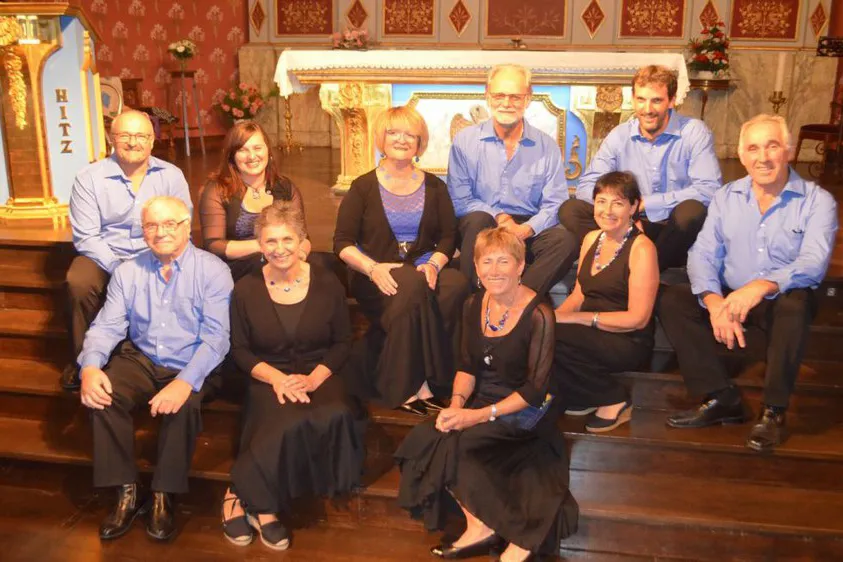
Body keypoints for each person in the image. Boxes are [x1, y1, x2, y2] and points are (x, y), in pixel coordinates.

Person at [395, 227, 579, 562]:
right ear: (477, 267)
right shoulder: (473, 304)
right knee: (426, 437)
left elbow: (534, 390)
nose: (494, 270)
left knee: (461, 445)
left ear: (520, 266)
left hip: (524, 408)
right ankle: (478, 525)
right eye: (486, 261)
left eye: (503, 261)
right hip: (481, 399)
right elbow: (467, 366)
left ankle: (510, 531)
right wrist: (456, 406)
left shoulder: (539, 314)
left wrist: (477, 416)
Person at [658, 114, 838, 452]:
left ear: (788, 151)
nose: (763, 157)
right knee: (672, 299)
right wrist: (714, 302)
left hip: (780, 297)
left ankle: (773, 411)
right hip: (731, 295)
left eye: (772, 146)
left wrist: (760, 286)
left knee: (795, 304)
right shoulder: (727, 197)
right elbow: (702, 253)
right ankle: (721, 397)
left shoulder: (817, 201)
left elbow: (812, 264)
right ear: (741, 155)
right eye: (753, 148)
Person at [77, 196, 233, 541]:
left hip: (194, 360)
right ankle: (127, 491)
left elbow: (217, 338)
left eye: (169, 224)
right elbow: (107, 327)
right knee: (104, 394)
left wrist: (185, 382)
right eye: (151, 225)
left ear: (186, 226)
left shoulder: (213, 271)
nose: (160, 232)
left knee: (184, 404)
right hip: (143, 357)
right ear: (143, 231)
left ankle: (164, 494)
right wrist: (89, 367)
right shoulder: (128, 272)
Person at [221, 202, 364, 550]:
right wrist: (277, 380)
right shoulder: (245, 289)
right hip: (267, 375)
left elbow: (342, 342)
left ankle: (241, 491)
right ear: (260, 244)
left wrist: (314, 379)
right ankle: (261, 507)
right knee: (286, 420)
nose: (279, 248)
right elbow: (240, 350)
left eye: (288, 239)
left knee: (333, 413)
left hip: (319, 372)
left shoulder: (328, 283)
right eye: (270, 241)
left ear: (302, 242)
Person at [334, 105, 470, 416]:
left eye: (410, 134)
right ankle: (412, 386)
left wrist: (434, 264)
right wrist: (372, 268)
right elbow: (341, 242)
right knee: (410, 284)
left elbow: (449, 236)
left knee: (456, 286)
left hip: (424, 267)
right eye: (394, 132)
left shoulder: (435, 186)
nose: (402, 139)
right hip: (375, 273)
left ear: (420, 142)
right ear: (381, 139)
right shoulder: (363, 186)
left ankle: (434, 379)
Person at [64, 110, 193, 390]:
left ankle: (169, 360)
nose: (133, 142)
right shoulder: (89, 178)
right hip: (105, 255)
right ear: (111, 138)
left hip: (157, 253)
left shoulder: (171, 176)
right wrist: (121, 268)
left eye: (141, 136)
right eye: (125, 135)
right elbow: (87, 236)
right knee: (79, 281)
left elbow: (183, 224)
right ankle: (85, 364)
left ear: (152, 141)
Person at [559, 65, 721, 271]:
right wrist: (625, 210)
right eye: (641, 99)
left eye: (657, 100)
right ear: (633, 99)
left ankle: (637, 271)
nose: (647, 109)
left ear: (672, 100)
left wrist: (647, 204)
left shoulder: (694, 132)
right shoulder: (620, 135)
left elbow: (709, 189)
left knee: (691, 212)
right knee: (570, 210)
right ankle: (632, 264)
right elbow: (588, 184)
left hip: (671, 228)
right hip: (627, 224)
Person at [448, 64, 577, 296]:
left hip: (527, 226)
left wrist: (526, 229)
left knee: (565, 241)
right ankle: (473, 300)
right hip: (483, 223)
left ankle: (520, 299)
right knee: (478, 220)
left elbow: (555, 203)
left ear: (528, 98)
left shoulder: (546, 146)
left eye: (515, 97)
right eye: (499, 95)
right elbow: (460, 199)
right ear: (487, 95)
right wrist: (500, 217)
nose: (506, 103)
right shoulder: (464, 141)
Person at [554, 172, 659, 432]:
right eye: (601, 201)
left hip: (627, 339)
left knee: (554, 338)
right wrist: (551, 318)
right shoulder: (592, 238)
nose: (607, 211)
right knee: (539, 330)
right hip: (591, 333)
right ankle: (583, 395)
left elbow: (638, 319)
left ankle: (614, 398)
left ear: (633, 207)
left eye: (618, 203)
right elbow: (579, 295)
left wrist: (577, 319)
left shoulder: (642, 248)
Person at [199, 120, 311, 281]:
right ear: (232, 156)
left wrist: (300, 256)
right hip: (238, 268)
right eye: (242, 150)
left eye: (257, 148)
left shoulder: (286, 187)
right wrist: (267, 246)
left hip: (283, 260)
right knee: (261, 264)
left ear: (268, 151)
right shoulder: (217, 190)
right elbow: (213, 245)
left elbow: (303, 237)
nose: (252, 156)